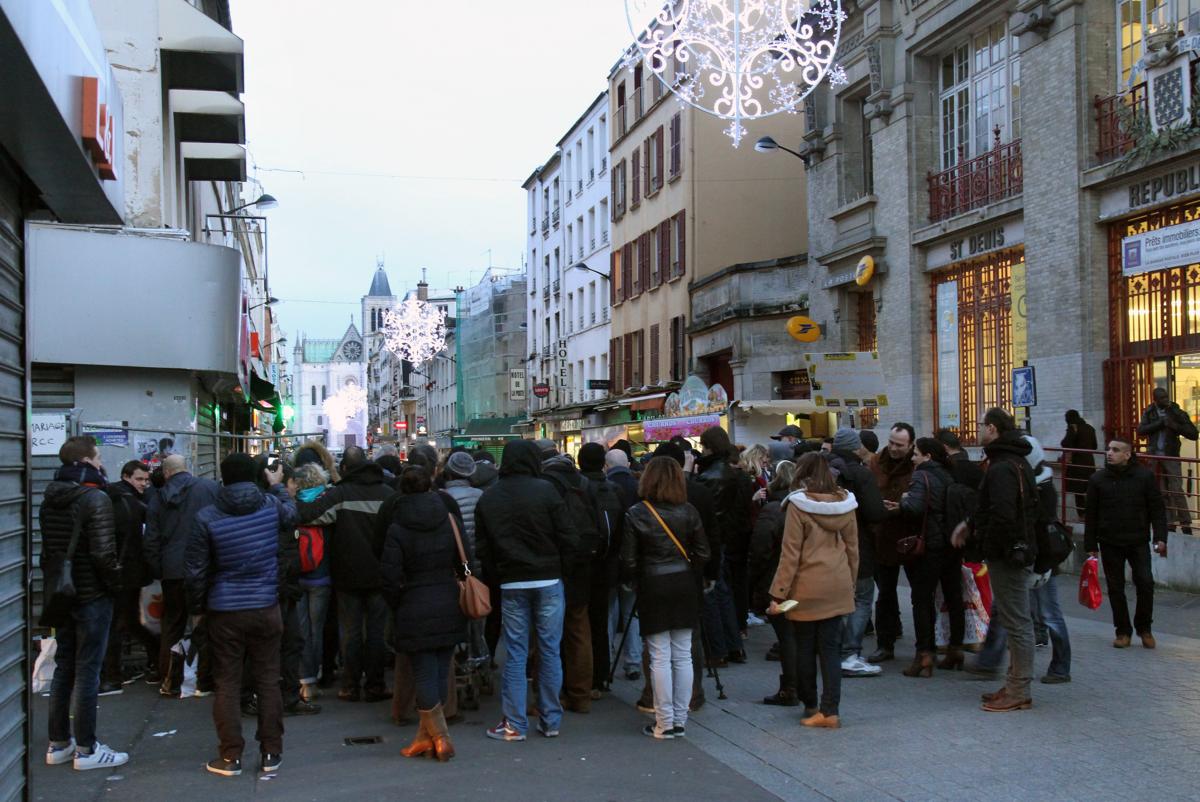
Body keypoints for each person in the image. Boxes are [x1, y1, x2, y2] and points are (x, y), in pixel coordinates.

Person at [186, 452, 295, 776]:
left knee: (228, 682)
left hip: (225, 609)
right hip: (265, 604)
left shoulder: (207, 516)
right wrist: (276, 486)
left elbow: (196, 570)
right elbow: (292, 515)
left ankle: (230, 755)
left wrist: (197, 609)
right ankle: (271, 751)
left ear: (223, 477)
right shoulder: (270, 505)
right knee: (268, 680)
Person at [475, 439, 579, 741]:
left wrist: (498, 574)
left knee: (516, 653)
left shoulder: (490, 497)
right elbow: (568, 536)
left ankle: (514, 723)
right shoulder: (546, 491)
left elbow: (483, 548)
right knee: (549, 650)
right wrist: (561, 568)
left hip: (511, 581)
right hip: (548, 578)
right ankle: (550, 719)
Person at [41, 436, 128, 771]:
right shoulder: (95, 498)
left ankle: (58, 743)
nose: (102, 462)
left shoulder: (50, 498)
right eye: (98, 457)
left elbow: (49, 549)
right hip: (92, 595)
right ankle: (87, 749)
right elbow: (104, 554)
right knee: (88, 670)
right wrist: (116, 584)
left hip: (62, 594)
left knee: (64, 667)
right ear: (88, 461)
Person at [951, 408, 1037, 712]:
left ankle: (1019, 689)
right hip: (1014, 549)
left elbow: (1002, 512)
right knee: (1013, 619)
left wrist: (984, 541)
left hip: (1008, 554)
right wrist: (971, 524)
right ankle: (1014, 684)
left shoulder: (1003, 467)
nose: (978, 431)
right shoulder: (1015, 461)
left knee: (1017, 622)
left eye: (981, 426)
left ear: (991, 428)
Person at [381, 466, 467, 762]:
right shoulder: (448, 519)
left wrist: (397, 602)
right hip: (448, 599)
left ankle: (440, 739)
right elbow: (465, 560)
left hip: (413, 602)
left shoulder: (397, 527)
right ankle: (425, 738)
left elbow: (390, 576)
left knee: (424, 673)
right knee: (440, 670)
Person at [295, 445, 394, 702]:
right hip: (380, 574)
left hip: (347, 575)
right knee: (376, 631)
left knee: (350, 632)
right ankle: (375, 685)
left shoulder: (340, 493)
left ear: (345, 468)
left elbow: (308, 515)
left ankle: (350, 685)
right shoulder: (388, 494)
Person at [768, 453, 859, 729]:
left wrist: (778, 593)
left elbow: (790, 554)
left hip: (805, 586)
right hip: (837, 582)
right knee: (830, 649)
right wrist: (850, 582)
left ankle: (810, 704)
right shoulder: (846, 503)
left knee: (804, 647)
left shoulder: (798, 505)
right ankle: (830, 710)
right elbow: (853, 549)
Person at [621, 457, 710, 739]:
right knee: (683, 653)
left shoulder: (637, 513)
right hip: (684, 583)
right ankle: (680, 719)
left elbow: (629, 559)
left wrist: (635, 580)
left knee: (659, 655)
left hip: (653, 584)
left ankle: (664, 721)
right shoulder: (689, 511)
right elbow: (703, 552)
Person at [974, 436, 1074, 683]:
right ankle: (989, 662)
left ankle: (1060, 667)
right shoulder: (1021, 481)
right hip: (1022, 558)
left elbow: (1042, 527)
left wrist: (1041, 565)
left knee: (1047, 614)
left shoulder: (1042, 487)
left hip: (1040, 561)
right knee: (1004, 610)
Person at [144, 453, 219, 697]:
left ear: (166, 473)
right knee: (203, 622)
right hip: (203, 566)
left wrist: (158, 570)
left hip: (173, 569)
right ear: (188, 468)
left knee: (172, 624)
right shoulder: (209, 489)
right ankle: (204, 680)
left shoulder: (157, 498)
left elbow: (151, 539)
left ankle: (169, 678)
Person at [1084, 437, 1168, 649]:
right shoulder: (1098, 479)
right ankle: (1122, 631)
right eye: (1108, 449)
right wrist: (1091, 545)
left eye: (1115, 450)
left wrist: (1160, 537)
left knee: (1145, 583)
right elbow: (1091, 514)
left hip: (1138, 540)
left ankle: (1144, 628)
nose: (1109, 453)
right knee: (1115, 588)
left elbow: (1157, 509)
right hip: (1109, 541)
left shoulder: (1144, 477)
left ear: (1127, 454)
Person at [540, 444, 601, 714]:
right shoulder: (584, 482)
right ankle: (581, 694)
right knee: (579, 627)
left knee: (546, 632)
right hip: (582, 562)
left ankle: (552, 695)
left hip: (553, 562)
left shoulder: (543, 485)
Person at [885, 438, 952, 678]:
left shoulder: (921, 476)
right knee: (936, 597)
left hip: (925, 545)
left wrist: (902, 501)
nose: (912, 458)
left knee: (921, 600)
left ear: (927, 456)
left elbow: (914, 507)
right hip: (945, 543)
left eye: (916, 454)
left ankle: (924, 653)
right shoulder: (946, 475)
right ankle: (940, 650)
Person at [824, 429, 885, 677]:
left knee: (833, 600)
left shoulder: (821, 471)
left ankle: (832, 650)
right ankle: (849, 654)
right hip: (858, 544)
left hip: (825, 545)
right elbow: (874, 512)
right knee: (861, 598)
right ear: (855, 446)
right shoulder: (860, 474)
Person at [100, 460, 158, 694]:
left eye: (146, 480)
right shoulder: (129, 502)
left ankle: (113, 675)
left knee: (123, 621)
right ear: (126, 477)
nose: (143, 484)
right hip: (129, 572)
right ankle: (117, 674)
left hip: (122, 572)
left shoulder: (116, 497)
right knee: (125, 621)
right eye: (139, 479)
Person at [695, 426, 750, 665]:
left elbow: (705, 511)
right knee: (722, 591)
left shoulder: (710, 476)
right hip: (723, 538)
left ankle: (718, 650)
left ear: (709, 447)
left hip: (710, 540)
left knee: (710, 593)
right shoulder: (730, 472)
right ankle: (733, 645)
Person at [578, 442, 627, 696]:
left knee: (578, 622)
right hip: (608, 564)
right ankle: (601, 675)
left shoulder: (577, 489)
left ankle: (582, 677)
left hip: (582, 566)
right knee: (600, 621)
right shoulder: (615, 490)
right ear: (603, 464)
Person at [749, 461, 799, 704]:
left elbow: (760, 550)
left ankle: (791, 687)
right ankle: (799, 686)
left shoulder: (774, 510)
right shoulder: (805, 506)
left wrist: (754, 580)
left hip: (779, 579)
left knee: (787, 635)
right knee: (797, 635)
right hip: (802, 578)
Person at [867, 423, 915, 663]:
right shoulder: (875, 462)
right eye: (892, 442)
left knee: (920, 595)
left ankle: (925, 647)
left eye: (900, 445)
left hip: (911, 535)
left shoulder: (917, 463)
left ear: (910, 445)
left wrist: (904, 505)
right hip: (883, 535)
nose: (894, 448)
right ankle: (885, 644)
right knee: (885, 593)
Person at [290, 463, 334, 704]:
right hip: (322, 575)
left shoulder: (292, 504)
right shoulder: (327, 502)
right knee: (317, 630)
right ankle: (314, 676)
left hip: (298, 575)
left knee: (301, 629)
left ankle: (303, 678)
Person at [1138, 387, 1197, 534]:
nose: (1166, 400)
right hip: (1154, 456)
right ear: (1155, 400)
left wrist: (1173, 425)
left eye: (1166, 397)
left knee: (1176, 490)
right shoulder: (1149, 412)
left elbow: (1193, 433)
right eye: (1162, 398)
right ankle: (1169, 523)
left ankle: (1185, 523)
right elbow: (1141, 430)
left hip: (1171, 455)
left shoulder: (1176, 411)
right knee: (1161, 491)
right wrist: (1160, 423)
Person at [605, 447, 642, 680]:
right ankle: (633, 661)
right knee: (631, 612)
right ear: (627, 464)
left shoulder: (605, 488)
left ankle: (607, 660)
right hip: (633, 559)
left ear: (606, 466)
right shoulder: (639, 486)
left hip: (610, 559)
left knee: (609, 611)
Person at [1061, 410, 1098, 520]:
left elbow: (1065, 443)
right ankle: (1092, 513)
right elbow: (1094, 446)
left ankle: (1082, 515)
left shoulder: (1073, 428)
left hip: (1077, 463)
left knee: (1078, 490)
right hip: (1089, 462)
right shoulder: (1090, 428)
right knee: (1089, 488)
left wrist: (1071, 433)